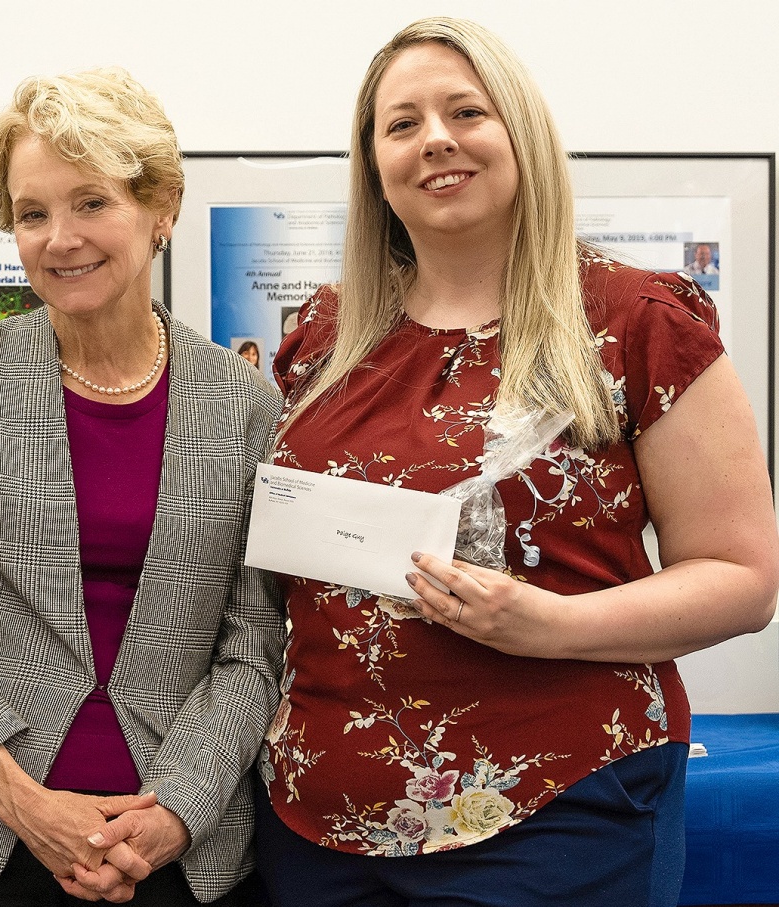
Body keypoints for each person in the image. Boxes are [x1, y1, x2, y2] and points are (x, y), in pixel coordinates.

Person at [256, 18, 778, 907]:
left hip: (554, 811)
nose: (437, 140)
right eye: (402, 123)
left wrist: (552, 626)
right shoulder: (322, 336)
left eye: (467, 110)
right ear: (374, 163)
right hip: (316, 817)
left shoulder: (636, 321)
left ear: (521, 133)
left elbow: (743, 577)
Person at [0, 68, 284, 906]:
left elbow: (253, 645)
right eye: (32, 213)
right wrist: (25, 802)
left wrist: (178, 807)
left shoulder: (247, 402)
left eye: (91, 202)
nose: (60, 237)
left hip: (174, 848)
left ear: (161, 205)